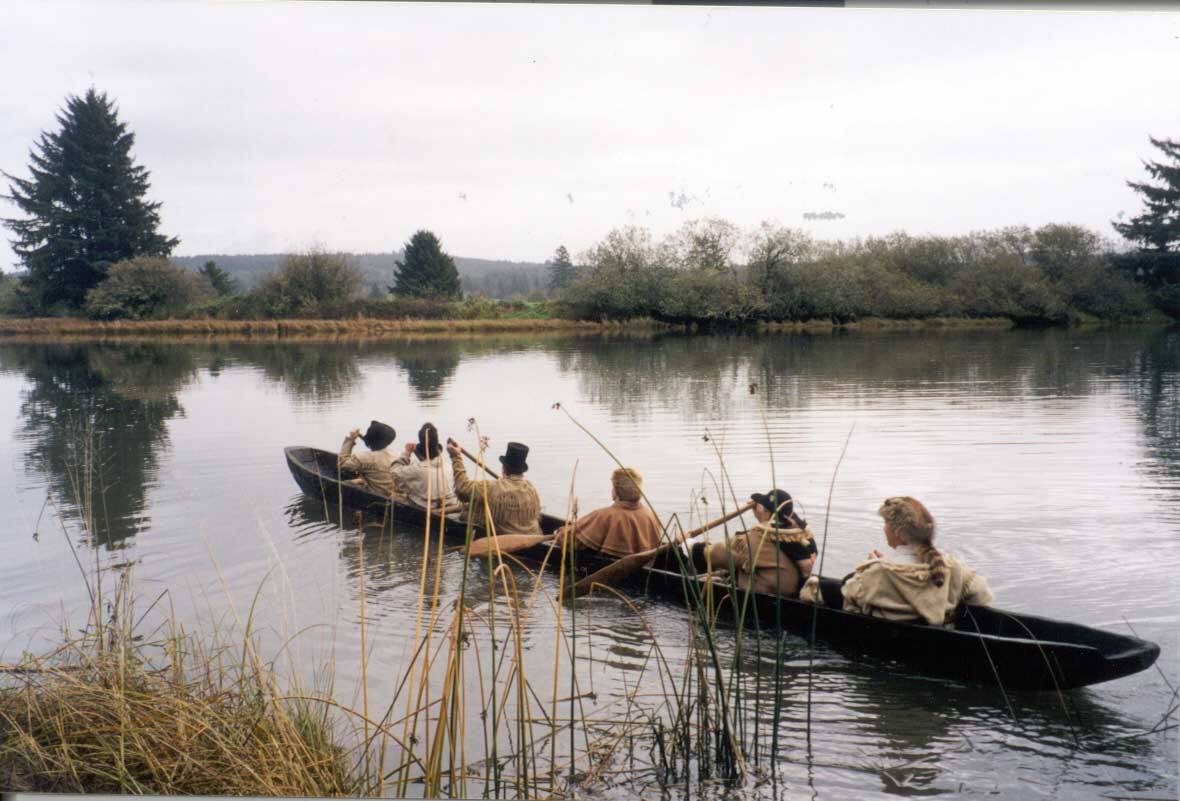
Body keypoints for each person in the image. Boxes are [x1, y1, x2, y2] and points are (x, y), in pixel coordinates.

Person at [840, 496, 993, 626]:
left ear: (898, 533)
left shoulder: (878, 573)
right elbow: (982, 597)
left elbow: (848, 593)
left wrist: (870, 567)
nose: (883, 529)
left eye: (885, 523)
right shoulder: (954, 568)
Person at [684, 488, 816, 597]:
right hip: (794, 591)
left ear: (767, 512)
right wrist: (762, 516)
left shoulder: (758, 538)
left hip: (766, 593)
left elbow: (721, 553)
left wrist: (690, 546)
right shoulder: (804, 536)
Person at [553, 467, 665, 557]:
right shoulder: (651, 515)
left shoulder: (604, 516)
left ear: (615, 492)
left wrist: (558, 534)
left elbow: (570, 542)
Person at [445, 438, 542, 536]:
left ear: (504, 468)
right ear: (521, 471)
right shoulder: (531, 488)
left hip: (504, 538)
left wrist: (456, 457)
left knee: (467, 512)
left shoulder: (491, 487)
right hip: (534, 534)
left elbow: (462, 489)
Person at [391, 422, 459, 510]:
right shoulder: (448, 467)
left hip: (426, 510)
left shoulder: (417, 469)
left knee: (396, 495)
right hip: (449, 506)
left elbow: (394, 472)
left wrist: (407, 453)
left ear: (422, 452)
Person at [338, 420, 397, 497]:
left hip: (376, 495)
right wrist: (361, 436)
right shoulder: (396, 454)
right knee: (358, 480)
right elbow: (373, 444)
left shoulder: (364, 458)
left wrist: (351, 439)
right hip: (391, 492)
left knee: (344, 484)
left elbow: (342, 464)